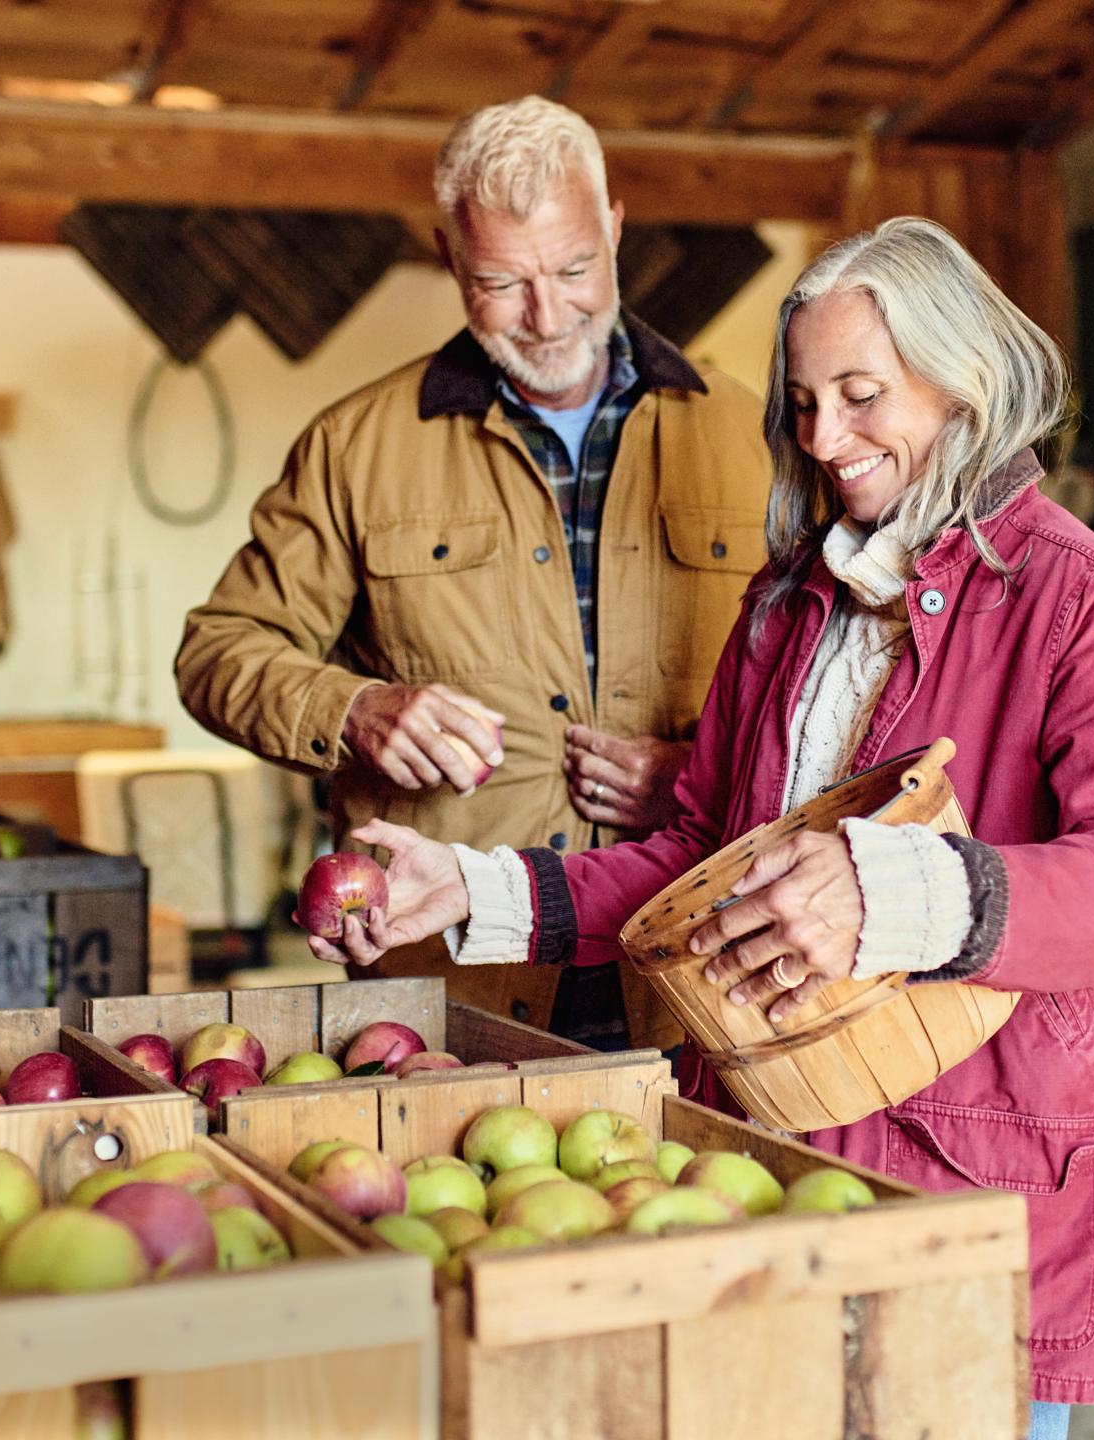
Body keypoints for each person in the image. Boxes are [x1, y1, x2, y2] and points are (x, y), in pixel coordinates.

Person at [307, 216, 1094, 1437]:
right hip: (757, 1147)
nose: (822, 439)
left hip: (967, 1163)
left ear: (965, 382)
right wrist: (473, 891)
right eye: (801, 402)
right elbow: (696, 856)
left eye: (861, 395)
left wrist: (897, 891)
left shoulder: (1082, 598)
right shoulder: (790, 600)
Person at [178, 96, 771, 1050]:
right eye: (501, 280)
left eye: (575, 268)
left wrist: (712, 784)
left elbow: (846, 695)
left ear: (615, 228)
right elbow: (217, 653)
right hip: (449, 985)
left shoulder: (759, 437)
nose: (546, 316)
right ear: (450, 256)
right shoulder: (355, 446)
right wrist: (353, 709)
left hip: (699, 973)